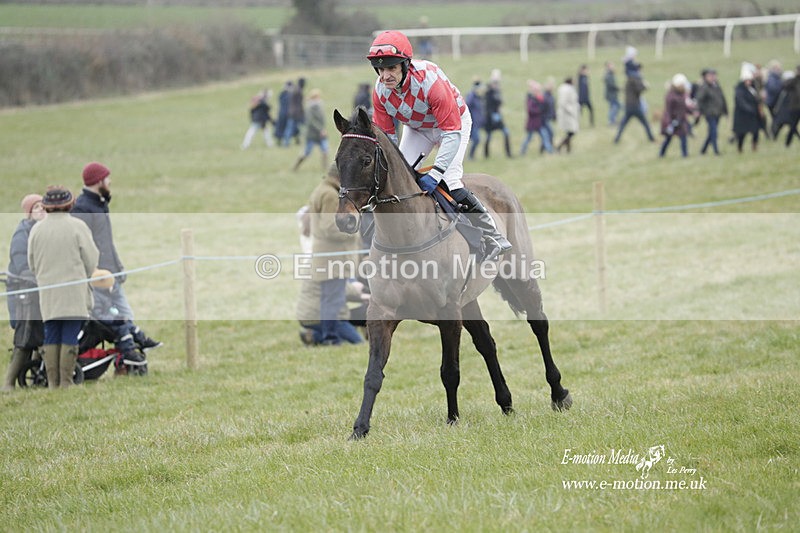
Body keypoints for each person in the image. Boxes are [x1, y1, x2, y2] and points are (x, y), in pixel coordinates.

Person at [366, 30, 511, 260]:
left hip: (453, 126)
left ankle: (491, 234)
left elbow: (451, 133)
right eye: (381, 70)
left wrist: (435, 173)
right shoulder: (380, 91)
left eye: (391, 68)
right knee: (398, 179)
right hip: (417, 129)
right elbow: (387, 139)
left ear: (405, 65)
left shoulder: (430, 82)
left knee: (450, 181)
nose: (385, 76)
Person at [70, 162, 159, 367]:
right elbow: (83, 247)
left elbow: (107, 243)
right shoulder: (83, 208)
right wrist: (96, 274)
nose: (110, 182)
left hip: (111, 274)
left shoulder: (100, 204)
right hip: (98, 277)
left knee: (125, 314)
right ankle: (129, 352)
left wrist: (118, 268)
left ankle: (129, 354)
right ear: (98, 181)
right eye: (107, 178)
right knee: (113, 317)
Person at [28, 186, 99, 389]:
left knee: (51, 332)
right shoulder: (78, 226)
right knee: (69, 332)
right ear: (70, 203)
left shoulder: (36, 229)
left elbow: (32, 263)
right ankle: (66, 382)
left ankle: (52, 382)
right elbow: (91, 260)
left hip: (48, 291)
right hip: (73, 292)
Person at [303, 165, 365, 345]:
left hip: (326, 257)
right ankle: (330, 338)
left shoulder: (322, 190)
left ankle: (324, 337)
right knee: (333, 302)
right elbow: (330, 227)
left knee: (330, 300)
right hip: (333, 258)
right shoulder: (330, 195)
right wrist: (353, 230)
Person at [3, 194, 46, 391]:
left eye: (43, 207)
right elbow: (21, 265)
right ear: (28, 212)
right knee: (25, 337)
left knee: (40, 333)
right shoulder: (22, 234)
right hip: (23, 294)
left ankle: (37, 373)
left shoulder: (43, 230)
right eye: (36, 207)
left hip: (38, 290)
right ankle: (8, 383)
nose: (41, 210)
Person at [614, 63, 655, 144]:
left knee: (623, 124)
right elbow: (639, 89)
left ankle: (616, 139)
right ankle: (651, 138)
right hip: (635, 105)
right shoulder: (634, 79)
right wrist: (645, 86)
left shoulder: (629, 79)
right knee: (645, 123)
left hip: (628, 105)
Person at [293, 89, 329, 171]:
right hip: (312, 134)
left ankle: (325, 168)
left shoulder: (319, 106)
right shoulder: (309, 108)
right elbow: (311, 121)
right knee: (306, 152)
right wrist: (321, 130)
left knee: (325, 150)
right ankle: (295, 166)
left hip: (321, 134)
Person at [695, 68, 728, 155]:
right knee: (714, 131)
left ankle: (703, 150)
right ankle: (716, 150)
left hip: (718, 112)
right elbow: (699, 100)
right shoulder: (704, 87)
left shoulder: (716, 86)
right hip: (709, 113)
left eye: (714, 75)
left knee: (711, 132)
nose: (712, 77)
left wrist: (725, 111)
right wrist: (698, 111)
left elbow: (722, 99)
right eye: (710, 76)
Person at [483, 69, 513, 159]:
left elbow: (499, 103)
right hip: (489, 119)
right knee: (488, 136)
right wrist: (492, 115)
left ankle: (508, 153)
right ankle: (486, 155)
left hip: (497, 117)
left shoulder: (497, 91)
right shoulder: (488, 92)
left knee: (506, 133)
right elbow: (487, 106)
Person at [659, 73, 690, 158]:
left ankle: (685, 154)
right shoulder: (670, 96)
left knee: (683, 137)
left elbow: (684, 107)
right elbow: (668, 111)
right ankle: (661, 153)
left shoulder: (683, 94)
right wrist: (670, 123)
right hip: (672, 120)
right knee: (668, 138)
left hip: (681, 120)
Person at [732, 69, 762, 153]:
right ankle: (740, 148)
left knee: (755, 131)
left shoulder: (752, 89)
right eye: (747, 80)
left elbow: (756, 99)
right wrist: (750, 109)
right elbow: (741, 102)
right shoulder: (739, 90)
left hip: (753, 115)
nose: (748, 82)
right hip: (743, 115)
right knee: (742, 133)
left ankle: (754, 146)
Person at [520, 80, 553, 155]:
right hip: (532, 123)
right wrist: (539, 110)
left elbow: (546, 106)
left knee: (545, 137)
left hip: (539, 123)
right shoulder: (531, 99)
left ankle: (550, 151)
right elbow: (530, 110)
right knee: (529, 138)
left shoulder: (540, 99)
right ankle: (522, 151)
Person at [555, 76, 579, 153]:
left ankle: (568, 149)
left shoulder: (569, 89)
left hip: (569, 113)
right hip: (567, 114)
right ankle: (559, 146)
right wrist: (571, 110)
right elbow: (563, 102)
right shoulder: (565, 90)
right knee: (571, 132)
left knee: (569, 132)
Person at [465, 79, 485, 160]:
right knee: (476, 140)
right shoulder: (471, 96)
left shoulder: (478, 98)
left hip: (477, 123)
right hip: (472, 123)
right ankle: (470, 156)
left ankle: (471, 156)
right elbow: (467, 106)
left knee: (476, 140)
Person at [283, 77, 306, 147]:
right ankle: (286, 143)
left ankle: (295, 141)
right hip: (296, 113)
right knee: (291, 128)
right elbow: (299, 104)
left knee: (295, 128)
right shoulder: (298, 91)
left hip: (292, 112)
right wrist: (302, 113)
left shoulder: (295, 89)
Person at [274, 80, 293, 145]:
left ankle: (280, 140)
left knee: (281, 127)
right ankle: (285, 141)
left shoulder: (282, 94)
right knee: (287, 127)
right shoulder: (290, 95)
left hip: (281, 113)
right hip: (287, 113)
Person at [604, 61, 621, 126]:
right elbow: (611, 85)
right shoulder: (608, 75)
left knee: (613, 107)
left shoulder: (610, 74)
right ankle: (611, 121)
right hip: (611, 95)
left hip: (612, 94)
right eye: (612, 66)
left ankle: (612, 120)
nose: (613, 67)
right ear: (608, 67)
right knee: (616, 107)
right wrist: (618, 88)